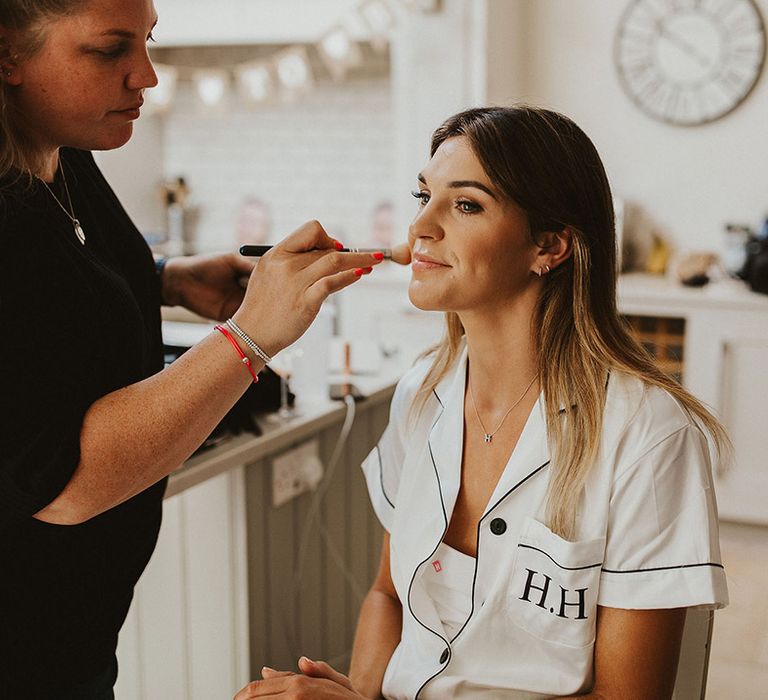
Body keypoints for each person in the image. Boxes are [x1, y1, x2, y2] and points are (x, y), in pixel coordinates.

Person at [235, 106, 729, 699]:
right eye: (423, 196)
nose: (422, 226)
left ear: (549, 245)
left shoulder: (648, 434)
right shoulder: (419, 393)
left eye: (465, 204)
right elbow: (388, 594)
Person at [0, 1, 385, 697]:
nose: (144, 76)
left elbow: (52, 291)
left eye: (147, 43)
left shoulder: (63, 148)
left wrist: (169, 281)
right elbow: (61, 477)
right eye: (110, 50)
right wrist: (249, 337)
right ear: (7, 54)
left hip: (78, 634)